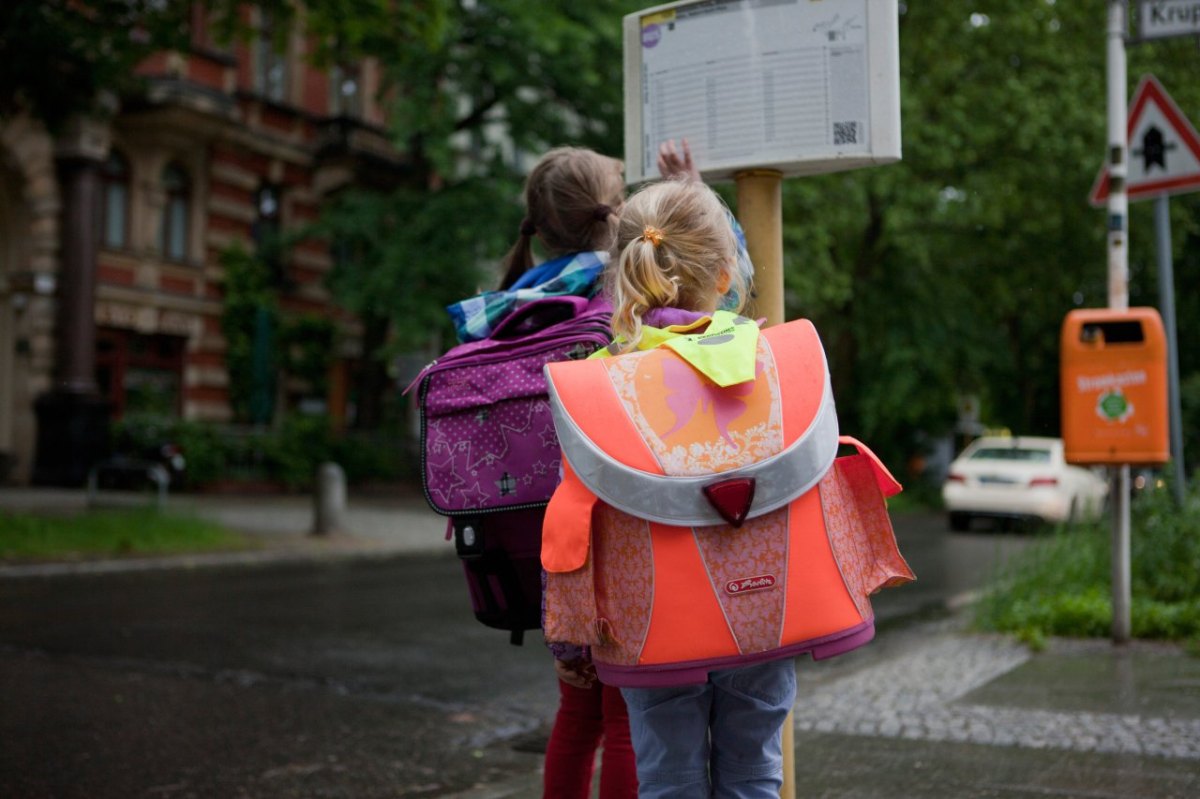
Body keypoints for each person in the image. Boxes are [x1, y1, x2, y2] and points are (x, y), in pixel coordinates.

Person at [595, 177, 793, 799]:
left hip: (650, 616)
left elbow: (578, 518)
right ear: (728, 270)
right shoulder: (773, 363)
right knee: (754, 769)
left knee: (667, 778)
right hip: (760, 601)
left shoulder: (600, 383)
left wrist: (572, 628)